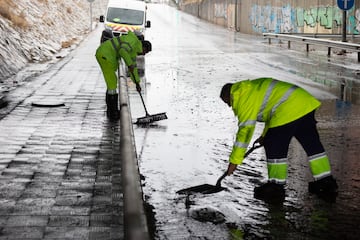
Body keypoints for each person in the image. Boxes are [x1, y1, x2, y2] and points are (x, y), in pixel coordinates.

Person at [220, 78, 338, 203]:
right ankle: (325, 183)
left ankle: (275, 187)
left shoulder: (243, 98)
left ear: (230, 95)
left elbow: (245, 131)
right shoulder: (249, 89)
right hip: (304, 103)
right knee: (312, 144)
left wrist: (234, 161)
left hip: (288, 109)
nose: (229, 105)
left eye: (227, 102)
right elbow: (271, 110)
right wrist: (264, 135)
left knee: (273, 144)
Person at [95, 31, 152, 120]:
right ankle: (112, 112)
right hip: (105, 54)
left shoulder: (133, 51)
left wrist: (137, 83)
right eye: (145, 52)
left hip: (107, 56)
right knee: (112, 83)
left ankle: (112, 111)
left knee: (112, 83)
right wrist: (129, 64)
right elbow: (122, 51)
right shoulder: (132, 40)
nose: (144, 54)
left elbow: (133, 68)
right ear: (143, 46)